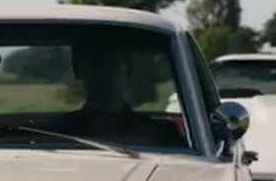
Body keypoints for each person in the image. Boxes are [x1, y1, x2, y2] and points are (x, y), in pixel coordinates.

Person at [48, 45, 187, 148]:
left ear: (128, 68)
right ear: (77, 69)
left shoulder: (161, 136)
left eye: (112, 62)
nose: (103, 71)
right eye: (94, 62)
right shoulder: (56, 134)